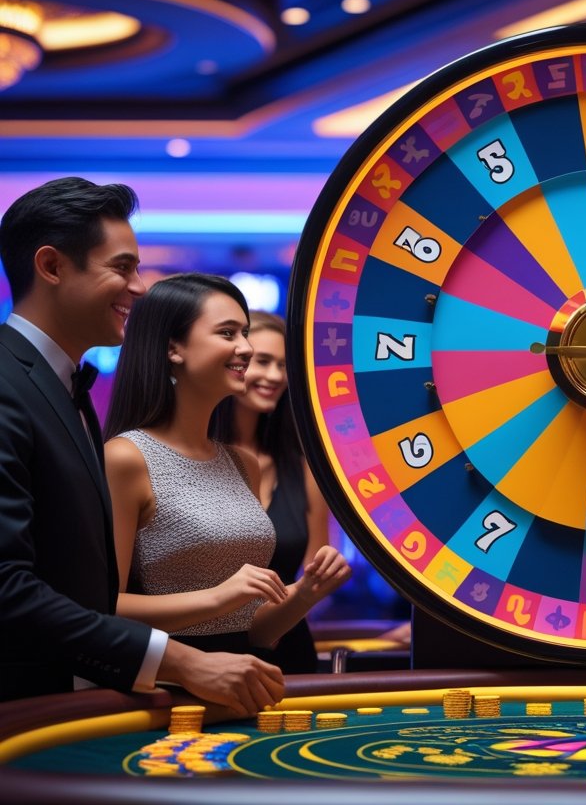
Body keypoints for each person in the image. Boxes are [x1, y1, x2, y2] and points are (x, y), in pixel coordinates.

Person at [0, 177, 283, 713]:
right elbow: (7, 586)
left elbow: (78, 586)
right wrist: (180, 660)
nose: (138, 287)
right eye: (122, 267)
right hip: (21, 709)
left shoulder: (62, 386)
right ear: (53, 266)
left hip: (72, 699)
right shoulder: (7, 382)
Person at [103, 274, 350, 658]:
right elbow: (105, 610)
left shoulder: (241, 464)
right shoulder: (126, 457)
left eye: (245, 333)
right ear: (174, 349)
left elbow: (254, 632)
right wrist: (219, 597)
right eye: (228, 333)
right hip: (170, 687)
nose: (246, 348)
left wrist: (304, 594)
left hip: (246, 680)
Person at [209, 311, 334, 673]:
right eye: (262, 362)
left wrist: (293, 604)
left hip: (288, 650)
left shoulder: (303, 465)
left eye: (283, 366)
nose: (275, 376)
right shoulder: (193, 457)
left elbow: (315, 570)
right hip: (207, 651)